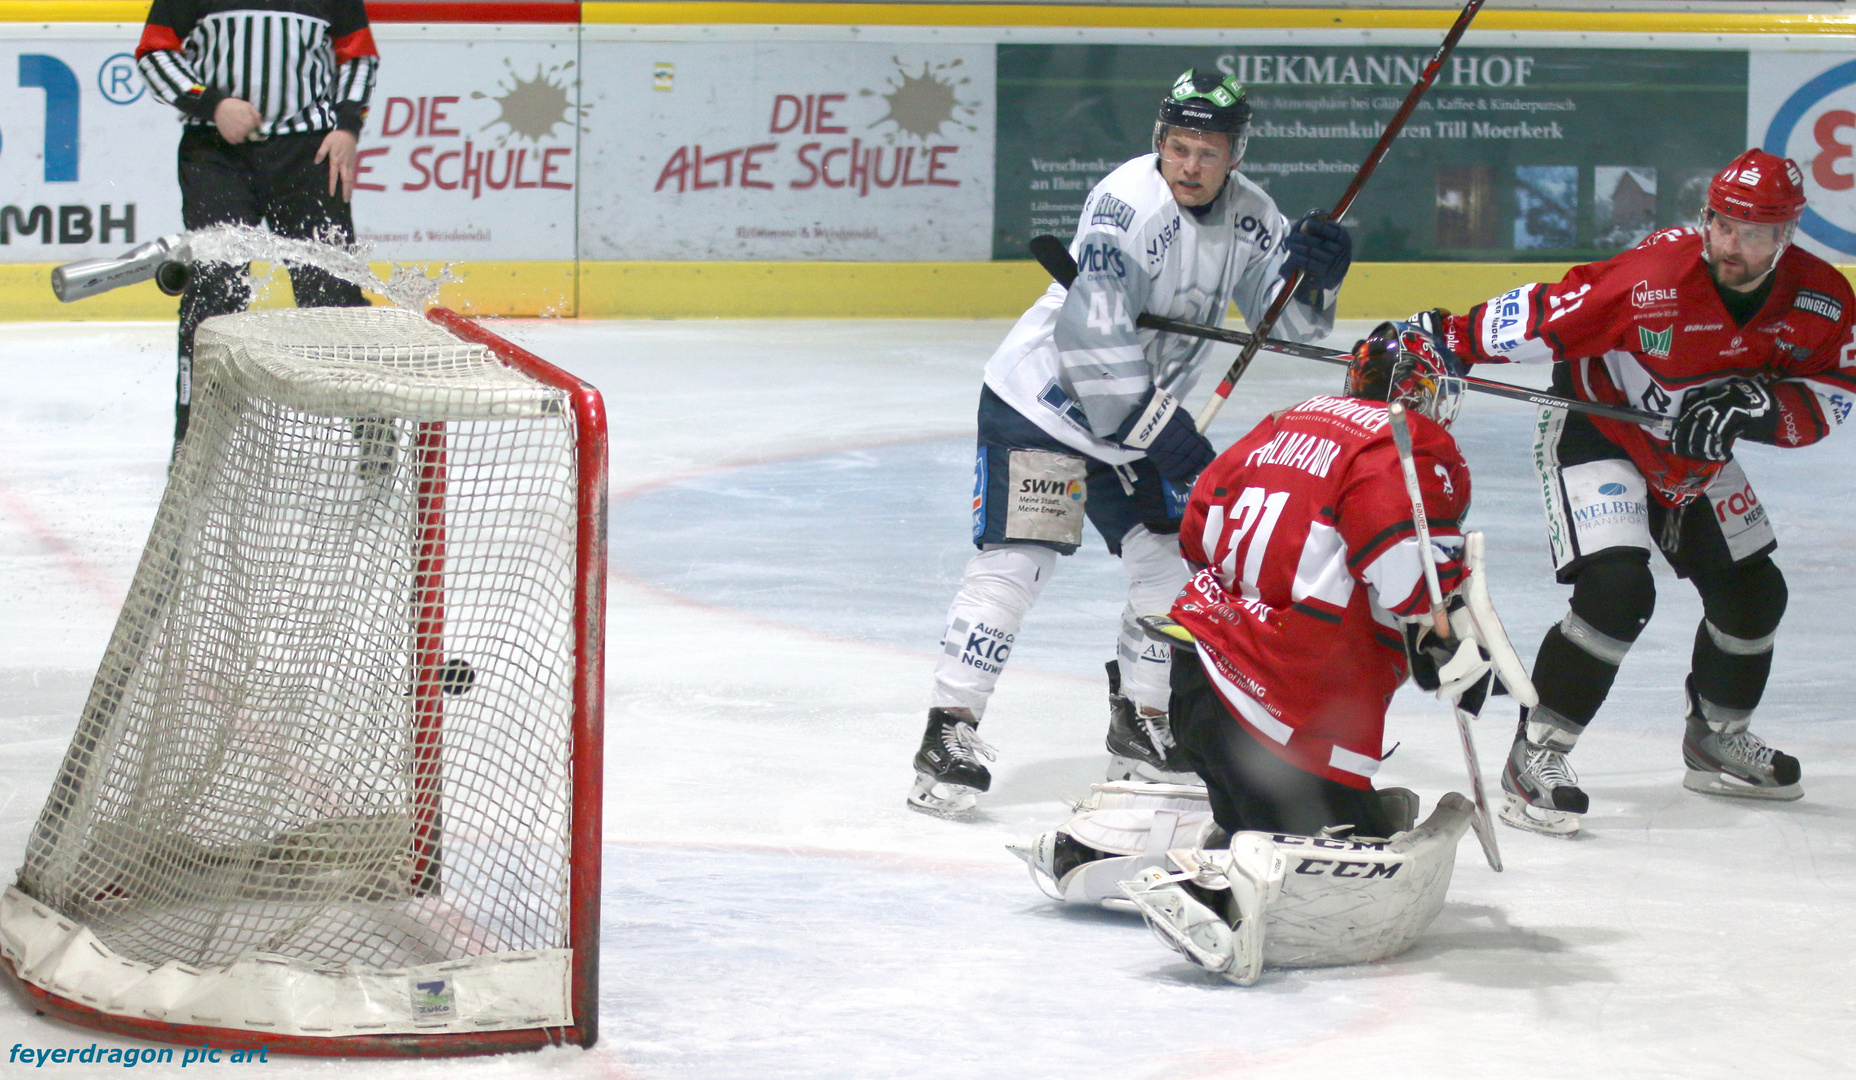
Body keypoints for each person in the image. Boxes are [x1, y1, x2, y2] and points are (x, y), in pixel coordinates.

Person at [1006, 323, 1520, 985]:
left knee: (1258, 811)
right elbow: (1405, 577)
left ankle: (1114, 847)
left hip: (1196, 681)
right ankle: (1228, 895)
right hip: (1286, 716)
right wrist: (1450, 640)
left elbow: (1196, 532)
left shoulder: (1286, 421)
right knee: (1343, 843)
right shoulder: (1410, 439)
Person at [909, 69, 1355, 817]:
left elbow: (1297, 331)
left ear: (1234, 155)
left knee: (1173, 562)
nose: (1189, 165)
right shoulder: (1126, 205)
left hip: (1136, 421)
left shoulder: (1254, 216)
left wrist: (1314, 281)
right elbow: (1090, 341)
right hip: (1045, 406)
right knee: (1020, 561)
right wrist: (1161, 430)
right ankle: (947, 732)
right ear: (1160, 142)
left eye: (1207, 153)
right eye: (1178, 148)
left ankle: (1143, 726)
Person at [1432, 148, 1856, 836]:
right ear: (1706, 217)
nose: (1732, 246)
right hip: (1599, 430)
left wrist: (1758, 409)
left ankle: (1716, 735)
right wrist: (1444, 338)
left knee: (1754, 593)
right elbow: (1546, 312)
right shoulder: (1654, 278)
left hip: (1693, 455)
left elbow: (1837, 390)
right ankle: (1535, 752)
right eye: (1723, 225)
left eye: (1754, 234)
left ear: (1787, 236)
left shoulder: (1820, 298)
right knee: (1618, 593)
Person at [136, 0, 380, 450]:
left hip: (309, 155)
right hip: (215, 153)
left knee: (332, 294)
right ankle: (192, 444)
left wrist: (347, 126)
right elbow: (154, 53)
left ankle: (376, 444)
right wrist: (210, 103)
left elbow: (358, 57)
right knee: (213, 294)